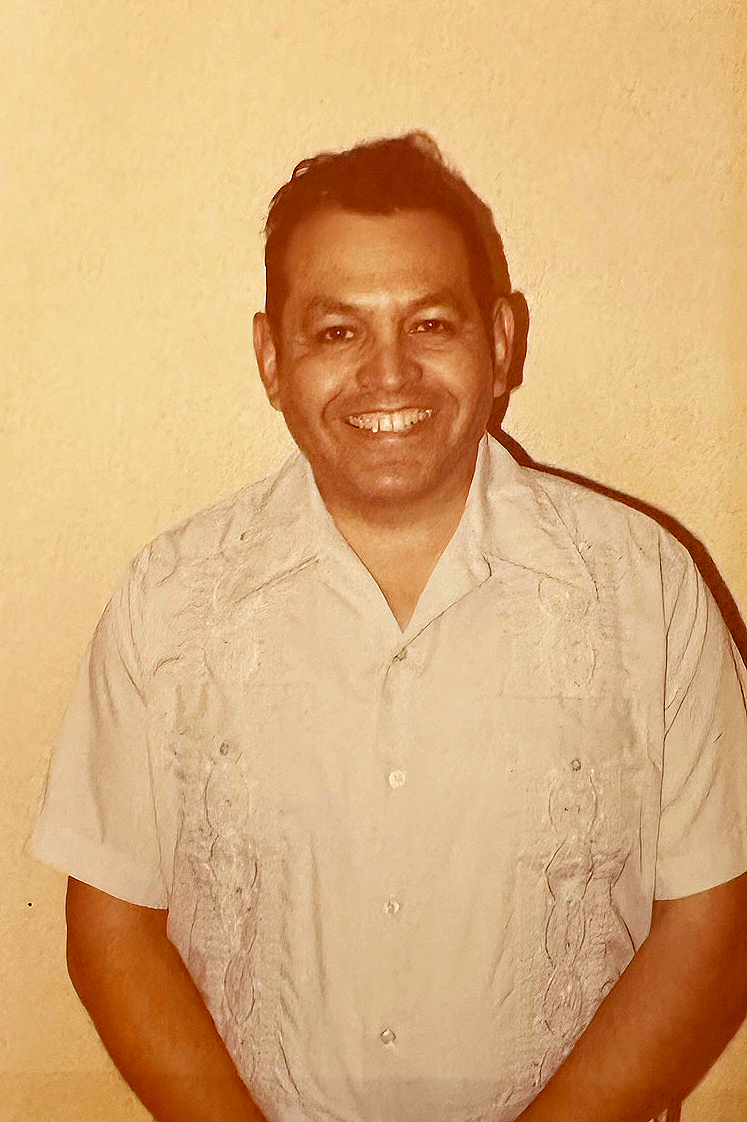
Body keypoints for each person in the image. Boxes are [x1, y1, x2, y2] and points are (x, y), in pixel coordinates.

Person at [29, 133, 747, 1122]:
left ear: (501, 340)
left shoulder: (645, 589)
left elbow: (714, 917)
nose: (389, 376)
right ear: (270, 358)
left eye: (431, 324)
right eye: (337, 332)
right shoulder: (168, 600)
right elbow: (111, 926)